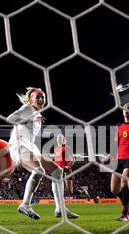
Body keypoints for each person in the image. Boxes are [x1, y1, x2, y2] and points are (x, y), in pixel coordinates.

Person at [7, 87, 78, 220]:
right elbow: (10, 118)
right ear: (30, 99)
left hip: (30, 146)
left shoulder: (37, 114)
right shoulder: (27, 108)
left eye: (43, 97)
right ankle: (25, 205)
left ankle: (60, 208)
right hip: (19, 144)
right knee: (39, 170)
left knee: (57, 171)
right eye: (38, 97)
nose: (41, 99)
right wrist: (28, 120)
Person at [54, 134, 74, 198]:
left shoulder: (67, 148)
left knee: (69, 191)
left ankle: (83, 192)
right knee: (60, 189)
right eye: (57, 138)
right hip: (58, 171)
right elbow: (57, 161)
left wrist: (67, 166)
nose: (58, 139)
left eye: (60, 138)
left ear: (62, 139)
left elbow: (73, 160)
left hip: (66, 170)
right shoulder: (56, 149)